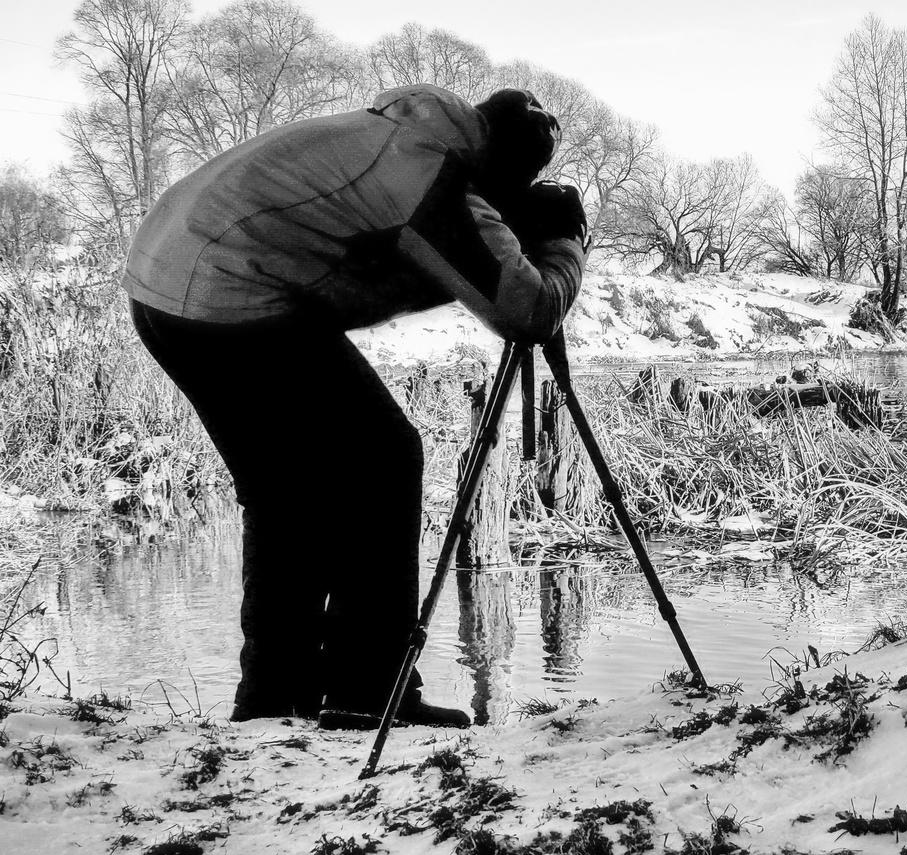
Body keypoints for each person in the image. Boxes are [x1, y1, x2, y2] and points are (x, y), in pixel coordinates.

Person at [123, 84, 588, 725]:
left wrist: (503, 225)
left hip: (168, 286)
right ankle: (369, 689)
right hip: (225, 294)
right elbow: (527, 310)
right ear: (506, 167)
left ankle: (275, 698)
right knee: (384, 458)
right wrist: (565, 242)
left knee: (287, 490)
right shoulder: (433, 181)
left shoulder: (406, 138)